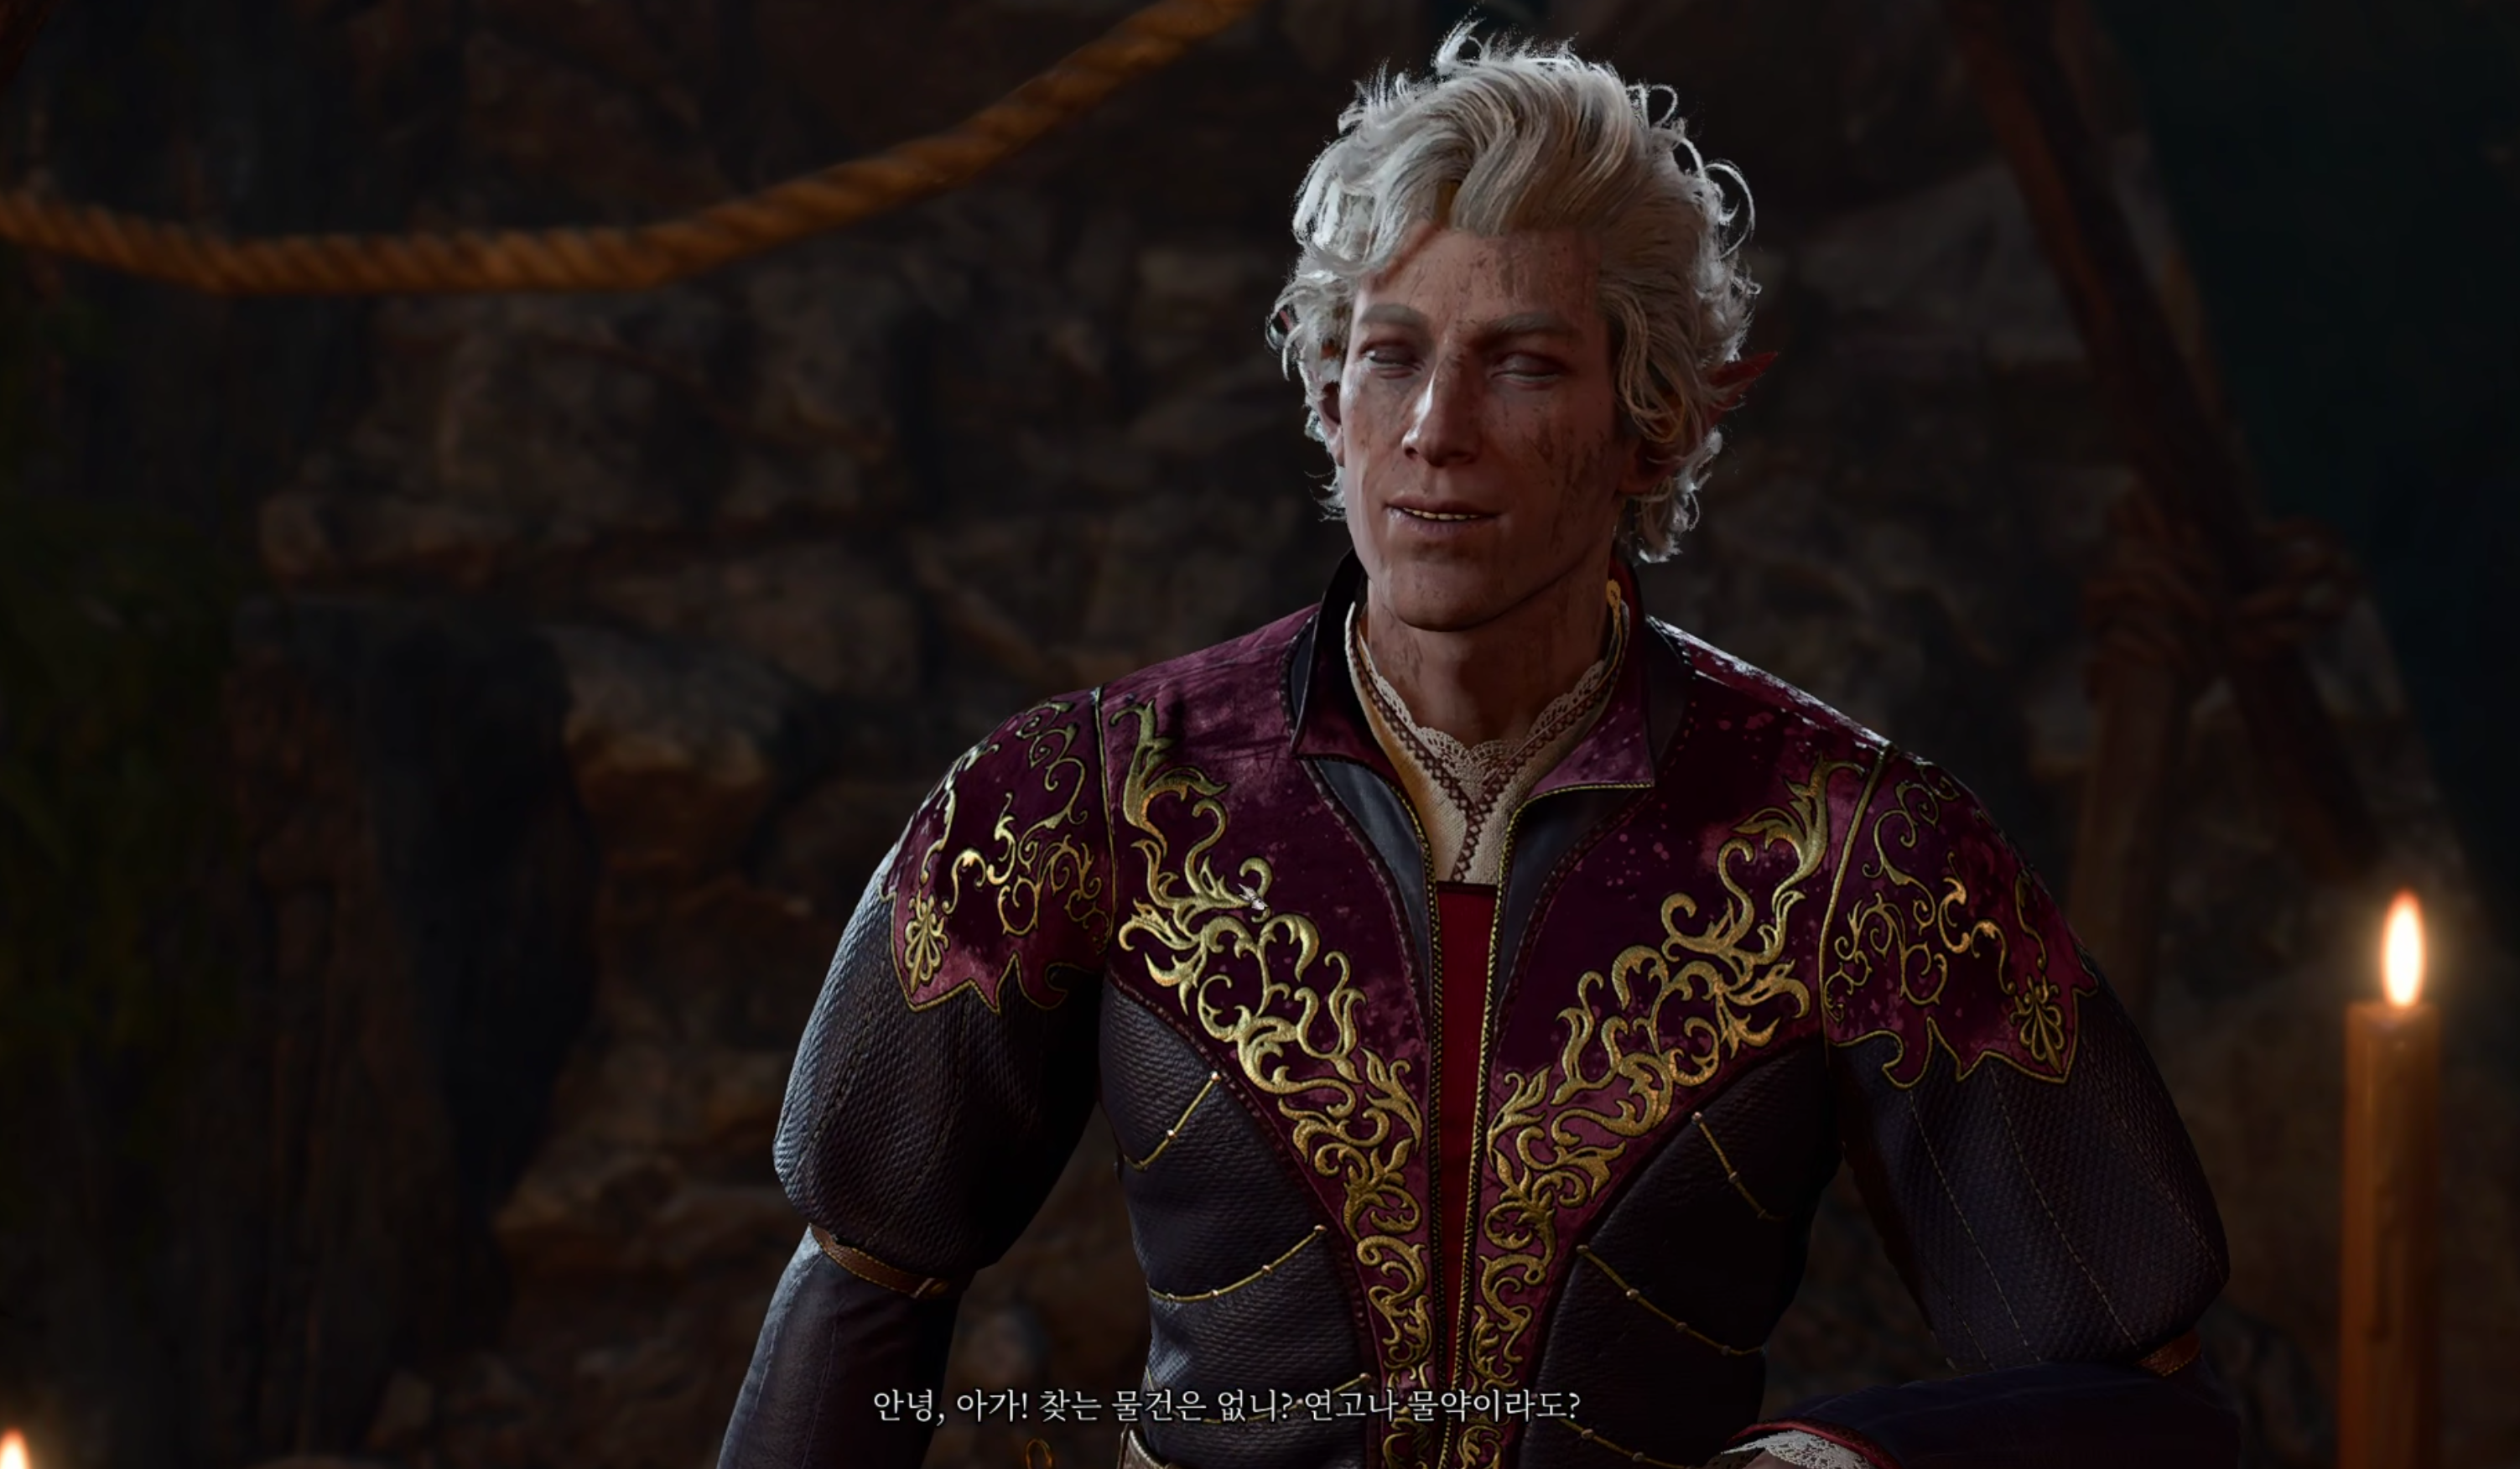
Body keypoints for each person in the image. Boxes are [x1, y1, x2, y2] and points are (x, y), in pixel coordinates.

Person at [717, 28, 2238, 1469]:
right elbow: (862, 1288)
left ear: (1650, 423)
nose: (1437, 426)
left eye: (1524, 365)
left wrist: (1838, 1461)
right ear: (1330, 398)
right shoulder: (1081, 802)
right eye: (1392, 355)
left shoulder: (1856, 853)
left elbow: (2150, 1406)